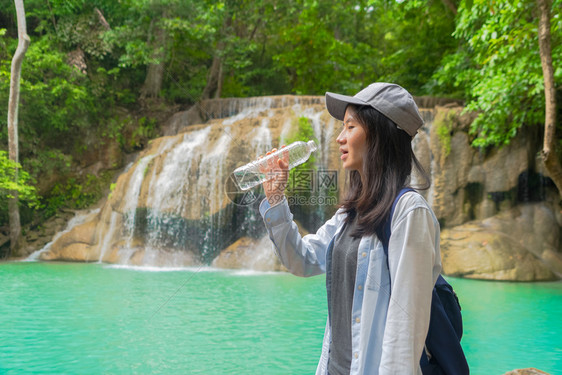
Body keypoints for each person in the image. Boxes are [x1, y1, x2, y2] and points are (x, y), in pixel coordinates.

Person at [258, 82, 441, 375]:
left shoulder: (410, 212)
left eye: (350, 127)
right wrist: (275, 199)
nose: (340, 138)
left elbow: (405, 328)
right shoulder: (352, 212)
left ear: (379, 132)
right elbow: (302, 260)